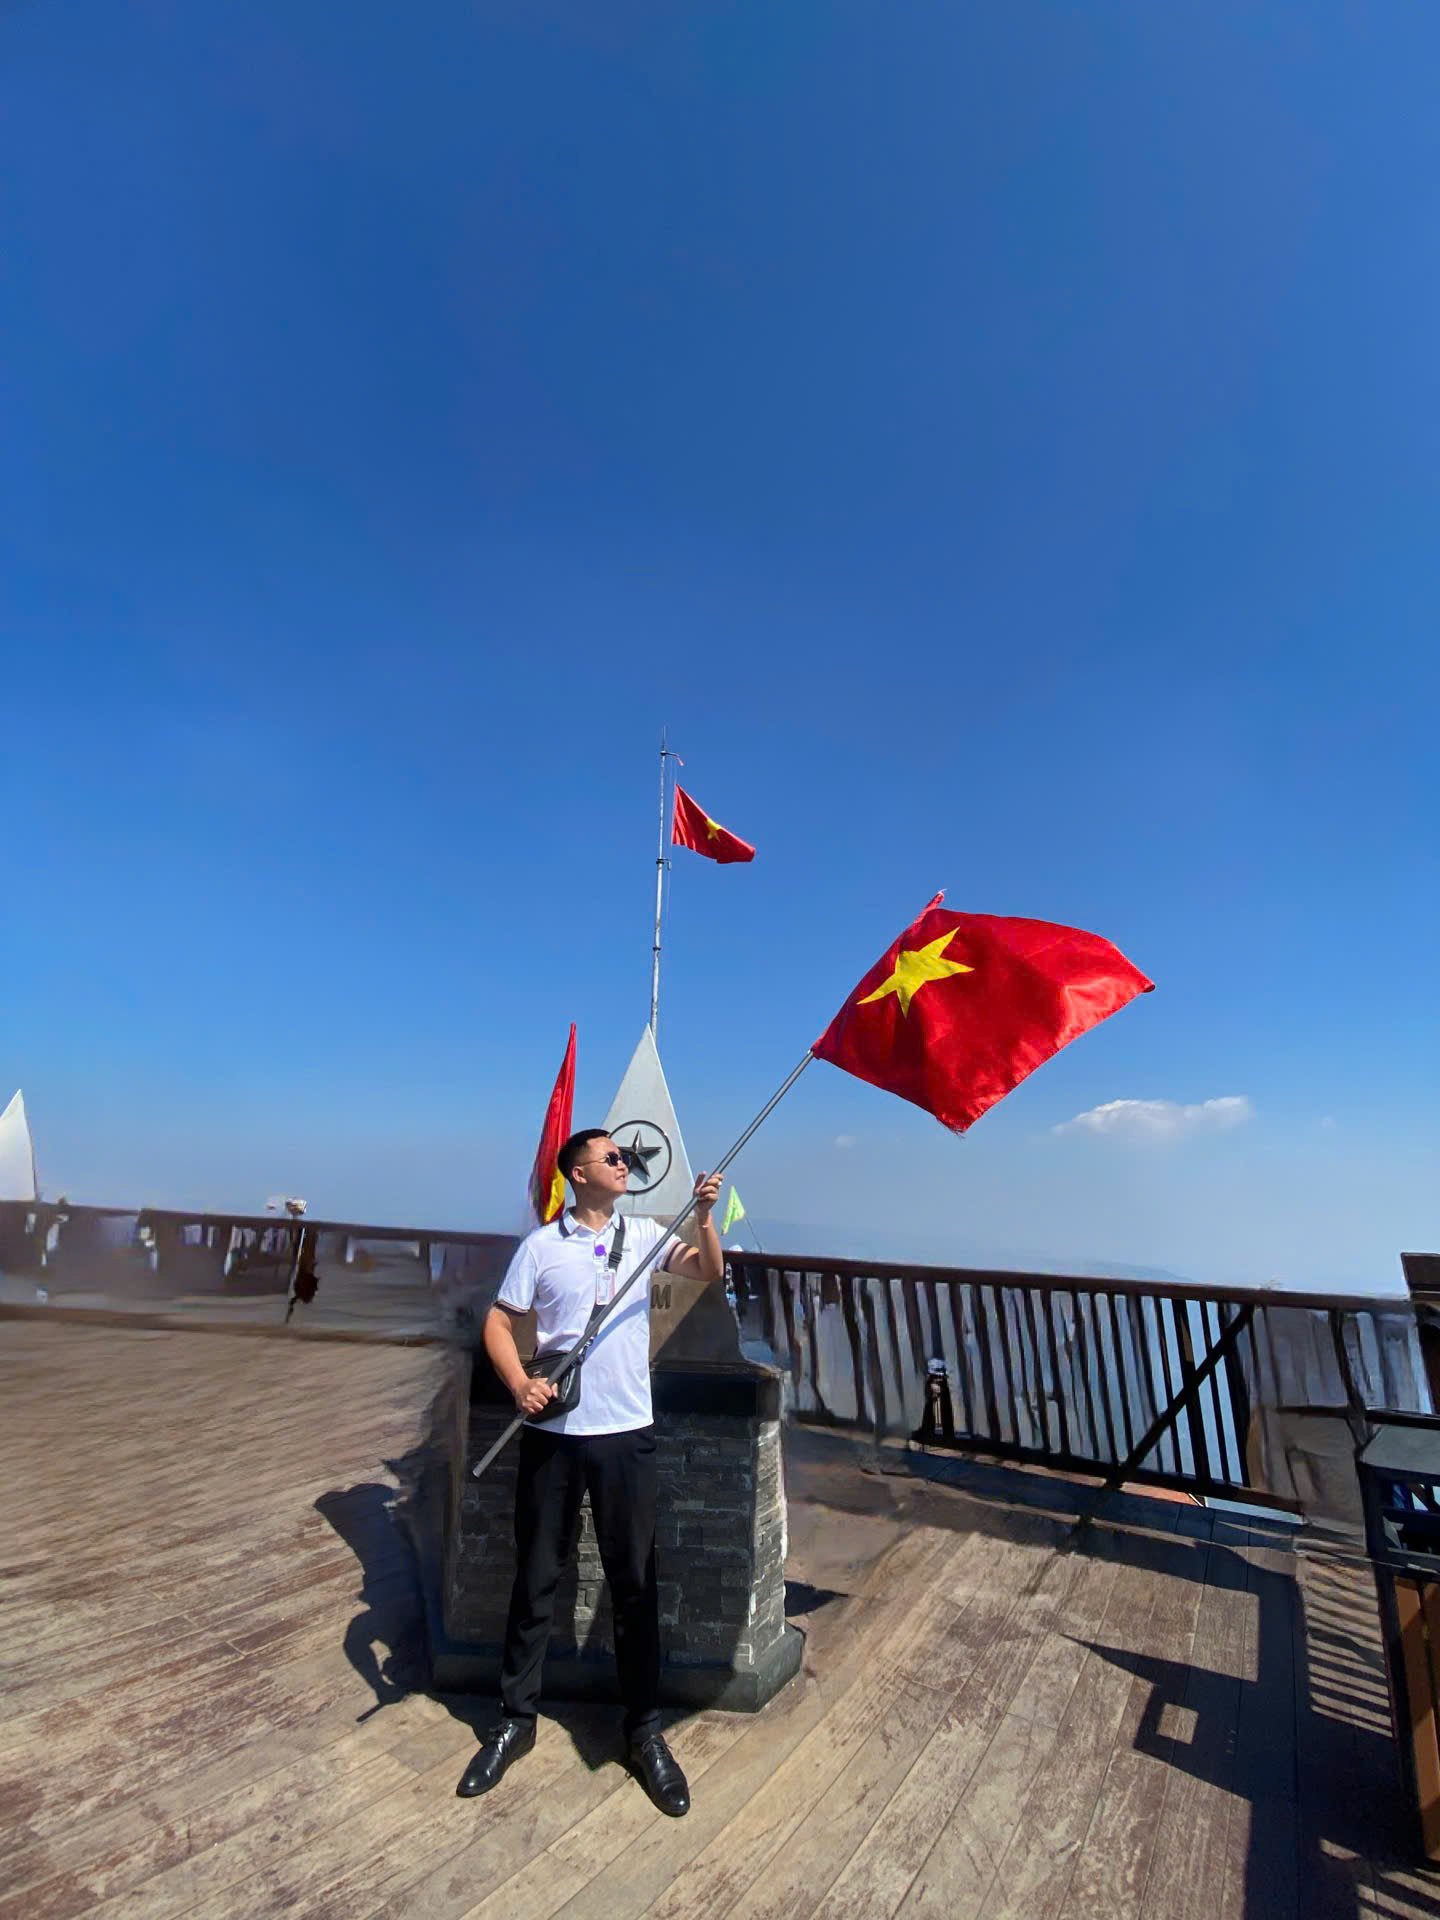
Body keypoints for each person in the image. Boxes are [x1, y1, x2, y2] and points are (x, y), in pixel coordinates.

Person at [456, 1128, 724, 1816]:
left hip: (625, 1434)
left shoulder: (645, 1236)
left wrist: (703, 1216)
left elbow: (706, 1271)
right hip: (554, 1434)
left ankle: (644, 1731)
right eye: (612, 1157)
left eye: (624, 1158)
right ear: (578, 1173)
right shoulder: (541, 1247)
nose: (623, 1164)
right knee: (535, 1579)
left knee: (634, 1586)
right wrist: (519, 1383)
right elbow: (499, 1322)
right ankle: (515, 1719)